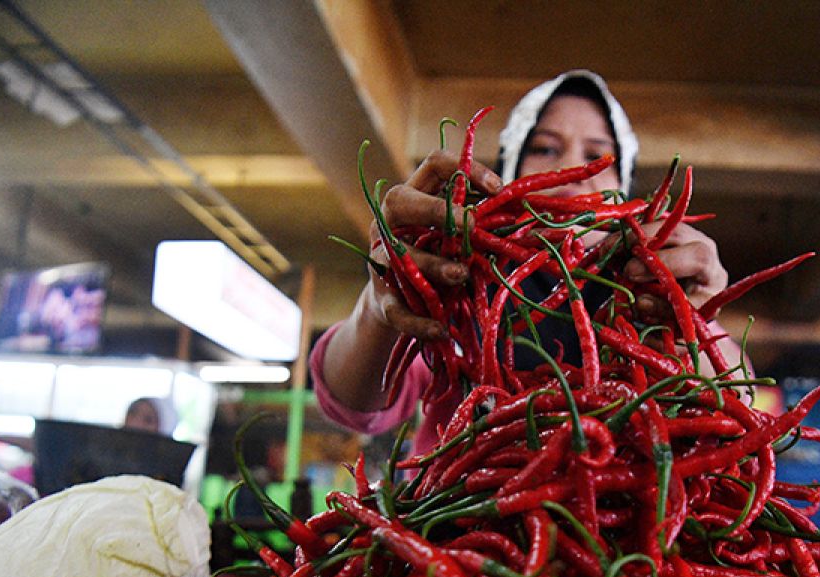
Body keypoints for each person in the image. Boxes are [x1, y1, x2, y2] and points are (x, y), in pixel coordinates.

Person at [311, 70, 740, 452]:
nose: (575, 168)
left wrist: (694, 324)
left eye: (597, 156)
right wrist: (379, 305)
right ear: (505, 176)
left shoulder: (651, 286)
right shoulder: (455, 273)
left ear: (623, 192)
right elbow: (354, 406)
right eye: (545, 148)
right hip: (452, 532)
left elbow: (737, 415)